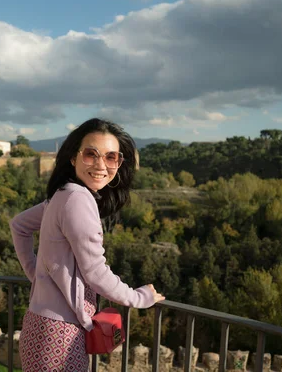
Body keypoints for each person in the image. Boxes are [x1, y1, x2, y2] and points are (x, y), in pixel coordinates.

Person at [10, 118, 165, 371]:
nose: (101, 165)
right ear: (73, 158)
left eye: (111, 157)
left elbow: (19, 225)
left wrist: (37, 275)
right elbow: (95, 272)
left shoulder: (62, 195)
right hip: (60, 335)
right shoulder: (78, 200)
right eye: (91, 154)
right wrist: (138, 297)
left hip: (39, 325)